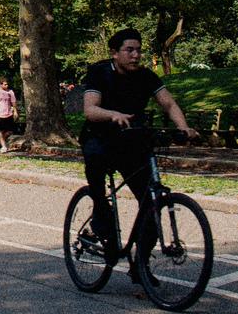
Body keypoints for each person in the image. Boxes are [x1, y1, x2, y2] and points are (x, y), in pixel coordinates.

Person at [82, 28, 195, 277]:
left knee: (150, 203)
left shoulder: (145, 76)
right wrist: (113, 114)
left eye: (138, 50)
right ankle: (101, 216)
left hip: (131, 139)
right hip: (99, 137)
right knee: (97, 170)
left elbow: (168, 103)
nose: (135, 55)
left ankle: (140, 266)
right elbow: (90, 109)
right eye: (129, 50)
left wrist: (183, 127)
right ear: (114, 53)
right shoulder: (100, 73)